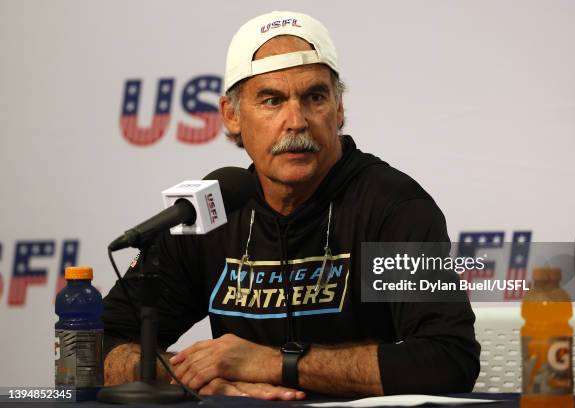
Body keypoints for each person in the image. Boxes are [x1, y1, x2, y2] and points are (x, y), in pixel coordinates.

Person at [102, 10, 480, 401]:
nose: (296, 121)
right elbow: (98, 343)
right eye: (272, 100)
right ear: (231, 115)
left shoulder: (392, 207)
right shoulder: (212, 210)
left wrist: (273, 363)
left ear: (339, 109)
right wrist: (189, 375)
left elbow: (447, 361)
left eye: (315, 97)